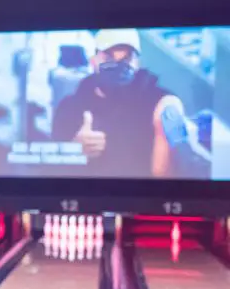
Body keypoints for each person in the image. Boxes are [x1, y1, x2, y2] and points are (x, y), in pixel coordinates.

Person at [52, 28, 211, 178]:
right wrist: (74, 152)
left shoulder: (160, 103)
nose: (119, 65)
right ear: (93, 60)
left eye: (127, 58)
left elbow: (177, 171)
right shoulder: (69, 108)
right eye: (109, 56)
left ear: (137, 63)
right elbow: (49, 172)